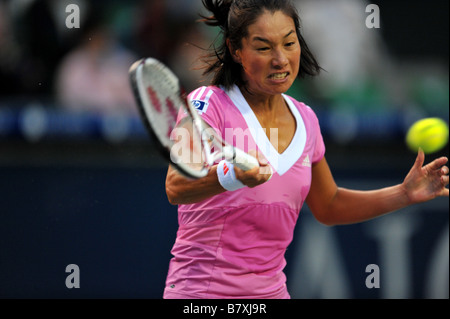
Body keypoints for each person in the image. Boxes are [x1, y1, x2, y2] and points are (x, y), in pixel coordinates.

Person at [163, 0, 449, 299]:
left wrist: (403, 193)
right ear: (237, 51)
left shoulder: (307, 121)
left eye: (289, 43)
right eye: (263, 48)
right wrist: (230, 174)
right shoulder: (206, 105)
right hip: (201, 296)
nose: (280, 59)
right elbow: (176, 185)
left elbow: (329, 205)